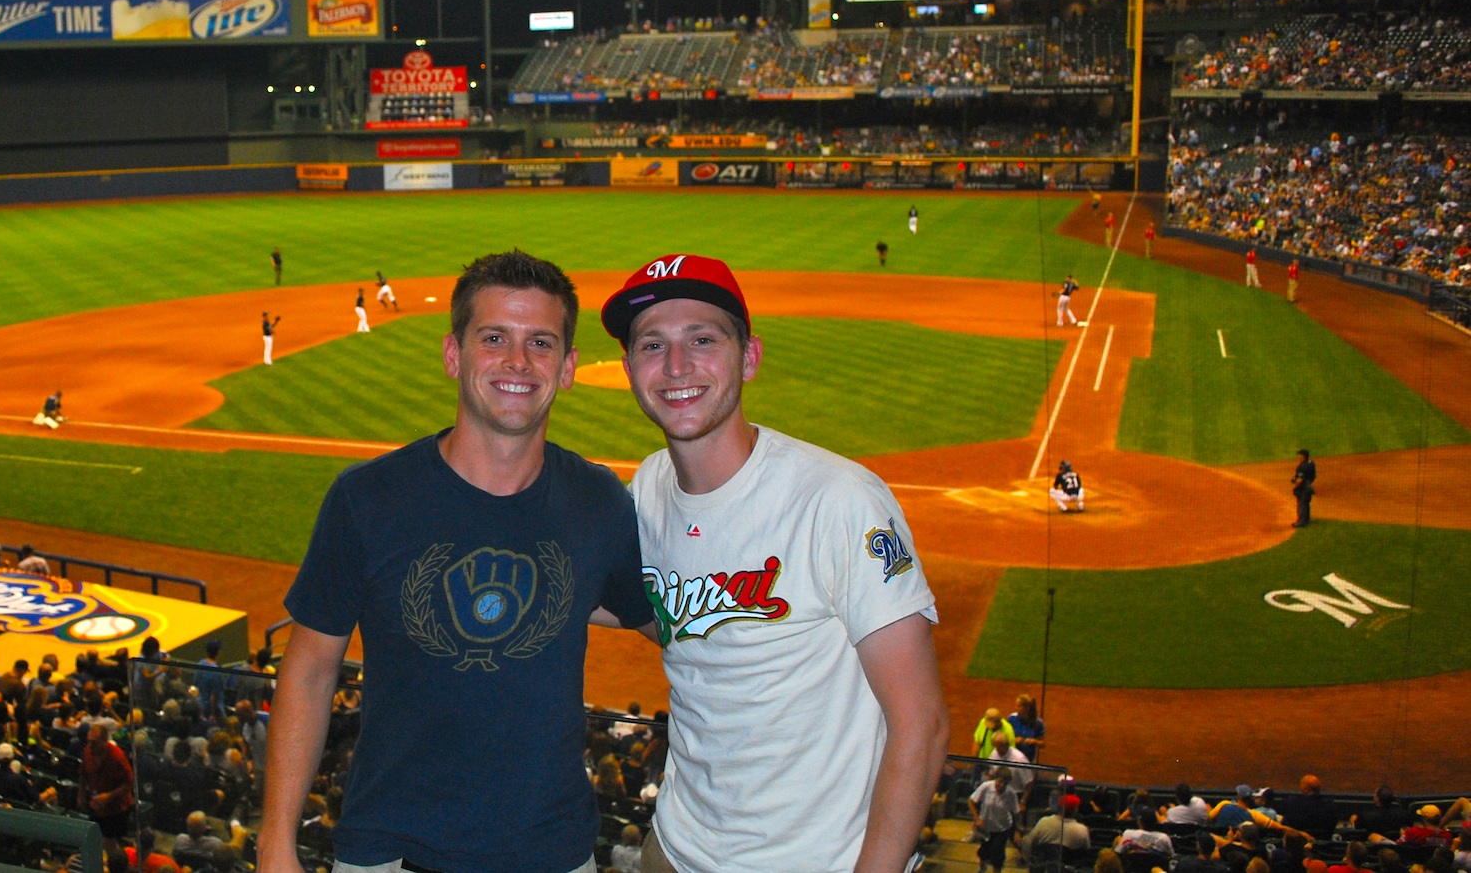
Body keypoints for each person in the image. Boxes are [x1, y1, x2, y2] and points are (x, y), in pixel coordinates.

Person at [260, 250, 654, 873]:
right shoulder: (367, 499)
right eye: (494, 338)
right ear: (453, 354)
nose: (518, 361)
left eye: (541, 342)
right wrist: (275, 841)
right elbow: (309, 670)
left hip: (551, 853)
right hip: (390, 852)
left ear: (568, 367)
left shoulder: (598, 500)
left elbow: (664, 618)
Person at [600, 252, 947, 873]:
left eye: (703, 339)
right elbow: (670, 616)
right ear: (629, 369)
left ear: (749, 357)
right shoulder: (650, 486)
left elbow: (920, 724)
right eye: (653, 345)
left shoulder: (839, 501)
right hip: (676, 846)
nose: (676, 365)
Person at [81, 720, 137, 865]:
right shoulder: (87, 752)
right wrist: (80, 795)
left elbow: (129, 783)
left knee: (112, 843)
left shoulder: (117, 757)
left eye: (94, 742)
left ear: (104, 741)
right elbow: (83, 774)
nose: (91, 745)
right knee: (95, 837)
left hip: (116, 809)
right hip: (96, 804)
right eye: (89, 741)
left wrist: (109, 796)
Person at [970, 767, 1022, 873]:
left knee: (997, 853)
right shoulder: (986, 787)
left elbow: (1016, 813)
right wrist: (977, 818)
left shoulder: (1011, 794)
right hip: (986, 827)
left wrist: (1017, 831)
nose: (1001, 785)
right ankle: (982, 868)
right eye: (999, 782)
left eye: (1004, 783)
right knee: (984, 851)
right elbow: (971, 801)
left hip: (1002, 829)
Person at [1022, 793, 1090, 860]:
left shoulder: (1044, 822)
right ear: (1075, 810)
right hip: (1070, 866)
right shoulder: (1082, 829)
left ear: (1059, 807)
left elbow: (1029, 841)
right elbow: (1086, 849)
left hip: (1043, 864)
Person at [1007, 694, 1044, 762]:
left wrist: (1034, 741)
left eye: (1019, 706)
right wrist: (1014, 740)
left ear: (1027, 708)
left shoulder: (1038, 722)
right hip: (1013, 758)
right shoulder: (1012, 718)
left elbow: (1042, 744)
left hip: (1029, 760)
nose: (1016, 708)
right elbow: (1005, 738)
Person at [1291, 450, 1317, 529]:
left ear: (1303, 456)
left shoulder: (1302, 466)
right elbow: (1313, 475)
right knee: (1306, 503)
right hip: (1309, 485)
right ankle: (1307, 519)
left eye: (1300, 455)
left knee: (1302, 504)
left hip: (1304, 487)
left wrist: (1296, 486)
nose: (1299, 457)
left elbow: (1300, 480)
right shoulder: (1311, 463)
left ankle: (1301, 522)